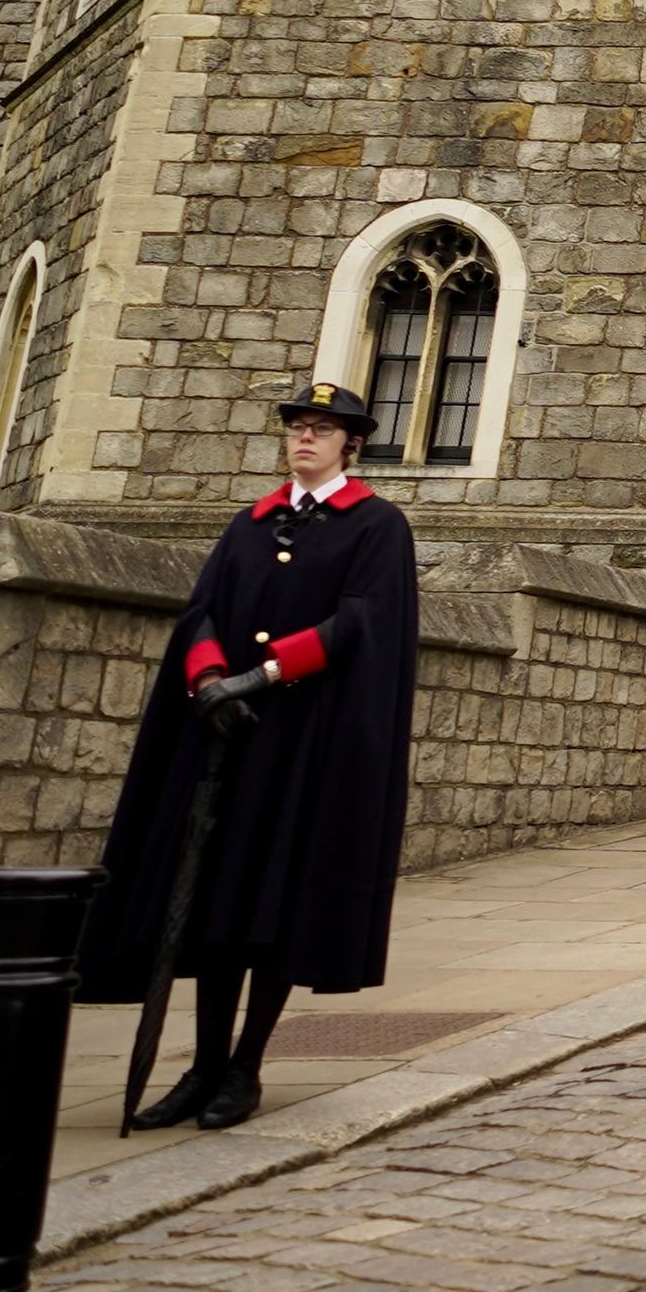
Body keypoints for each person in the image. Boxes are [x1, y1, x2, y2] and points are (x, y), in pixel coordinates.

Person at [78, 380, 422, 1128]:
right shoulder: (247, 525)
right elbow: (202, 609)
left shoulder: (375, 526)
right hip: (228, 740)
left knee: (274, 904)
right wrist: (208, 679)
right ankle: (202, 1064)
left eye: (322, 430)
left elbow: (360, 622)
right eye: (298, 426)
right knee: (214, 903)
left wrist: (261, 674)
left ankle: (245, 1066)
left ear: (350, 444)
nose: (305, 438)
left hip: (306, 744)